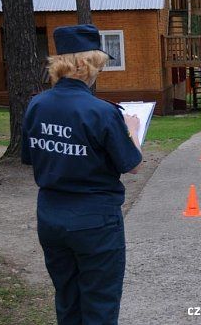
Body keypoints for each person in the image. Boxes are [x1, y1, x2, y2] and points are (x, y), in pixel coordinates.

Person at [21, 24, 143, 324]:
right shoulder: (101, 111)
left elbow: (30, 156)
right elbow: (132, 163)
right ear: (85, 65)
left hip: (51, 215)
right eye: (98, 65)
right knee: (99, 302)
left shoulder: (36, 105)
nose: (98, 72)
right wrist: (133, 131)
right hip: (94, 220)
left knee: (67, 297)